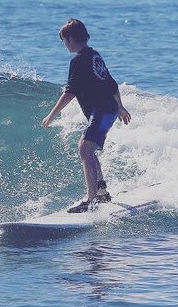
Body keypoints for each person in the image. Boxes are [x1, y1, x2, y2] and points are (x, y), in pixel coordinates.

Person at [41, 18, 131, 213]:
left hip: (102, 110)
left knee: (84, 148)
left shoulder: (79, 61)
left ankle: (91, 200)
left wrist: (51, 115)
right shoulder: (94, 56)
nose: (64, 45)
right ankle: (102, 192)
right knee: (88, 149)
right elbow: (111, 83)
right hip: (108, 109)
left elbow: (70, 92)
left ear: (71, 39)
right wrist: (120, 107)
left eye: (64, 41)